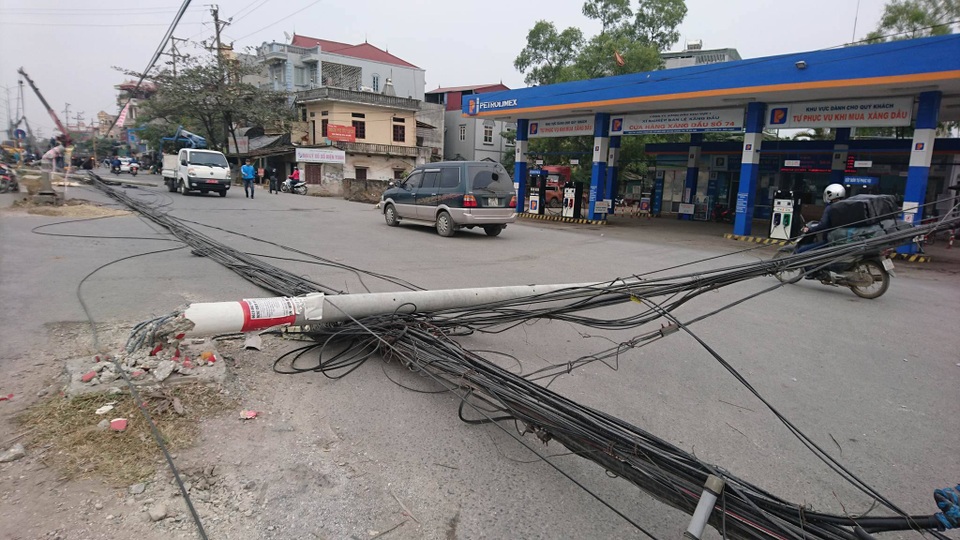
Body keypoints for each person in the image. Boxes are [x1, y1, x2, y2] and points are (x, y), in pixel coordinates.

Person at [796, 183, 846, 255]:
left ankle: (810, 266)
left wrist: (810, 229)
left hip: (829, 242)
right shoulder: (843, 207)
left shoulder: (830, 208)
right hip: (838, 240)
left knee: (801, 251)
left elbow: (823, 225)